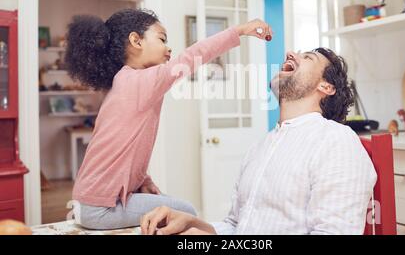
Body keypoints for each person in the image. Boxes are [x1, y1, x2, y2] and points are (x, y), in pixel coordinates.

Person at [65, 8, 272, 230]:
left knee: (167, 212)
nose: (169, 47)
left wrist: (143, 180)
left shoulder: (124, 82)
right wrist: (239, 30)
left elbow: (120, 148)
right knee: (185, 213)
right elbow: (191, 57)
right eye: (162, 39)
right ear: (136, 40)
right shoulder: (139, 82)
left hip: (90, 201)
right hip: (101, 207)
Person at [140, 47, 377, 235]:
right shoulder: (260, 147)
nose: (290, 54)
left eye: (307, 57)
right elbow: (236, 226)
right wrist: (193, 224)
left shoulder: (337, 141)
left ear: (326, 86)